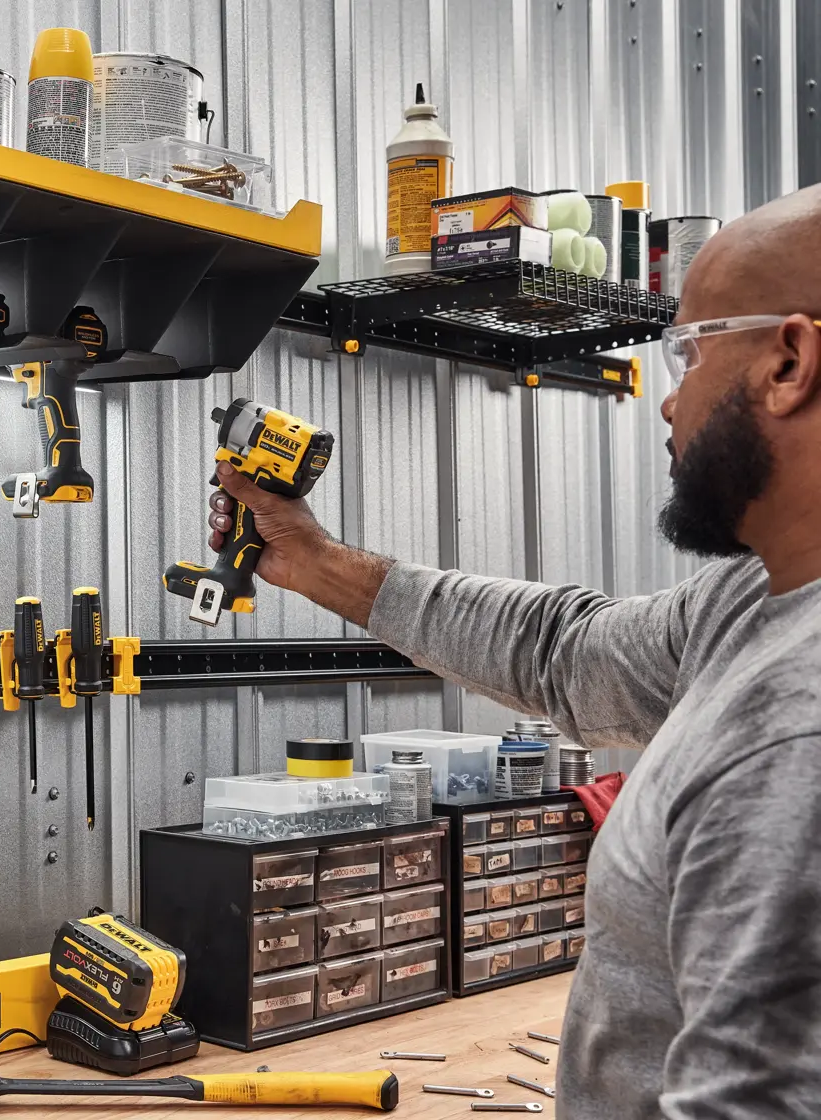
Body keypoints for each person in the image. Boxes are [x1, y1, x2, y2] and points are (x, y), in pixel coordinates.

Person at [208, 183, 821, 1118]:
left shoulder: (795, 737)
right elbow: (564, 653)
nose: (668, 403)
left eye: (688, 352)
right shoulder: (749, 598)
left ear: (790, 362)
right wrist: (315, 560)